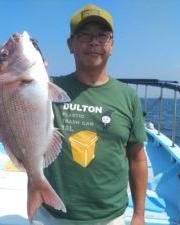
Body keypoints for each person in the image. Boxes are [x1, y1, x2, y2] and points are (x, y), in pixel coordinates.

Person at [35, 4, 148, 225]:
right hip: (52, 215)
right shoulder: (47, 88)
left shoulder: (127, 96)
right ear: (71, 44)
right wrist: (11, 62)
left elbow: (137, 157)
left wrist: (139, 215)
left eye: (102, 36)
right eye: (84, 35)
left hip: (110, 217)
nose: (94, 42)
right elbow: (4, 96)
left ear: (111, 45)